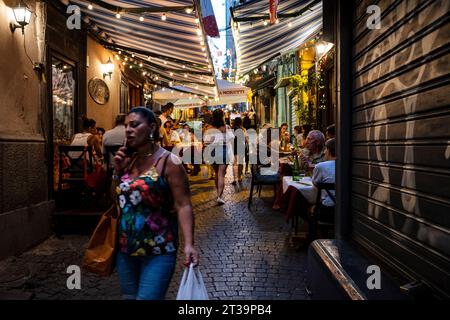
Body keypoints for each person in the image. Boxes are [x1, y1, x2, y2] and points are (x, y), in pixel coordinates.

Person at [112, 107, 199, 300]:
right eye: (126, 125)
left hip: (159, 250)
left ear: (151, 128)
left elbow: (183, 204)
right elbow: (116, 201)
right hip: (125, 248)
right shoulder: (129, 159)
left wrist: (189, 244)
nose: (128, 130)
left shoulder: (169, 161)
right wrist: (117, 172)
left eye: (134, 125)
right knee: (129, 297)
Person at [203, 109, 234, 204]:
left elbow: (206, 142)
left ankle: (218, 194)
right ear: (222, 116)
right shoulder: (226, 127)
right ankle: (219, 196)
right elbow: (231, 138)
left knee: (217, 173)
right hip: (223, 151)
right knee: (221, 174)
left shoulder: (209, 128)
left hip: (213, 151)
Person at [231, 117, 248, 185]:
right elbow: (245, 139)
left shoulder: (232, 129)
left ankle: (234, 178)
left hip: (235, 146)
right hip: (241, 146)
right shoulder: (242, 129)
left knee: (235, 163)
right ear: (241, 122)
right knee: (240, 162)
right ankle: (239, 177)